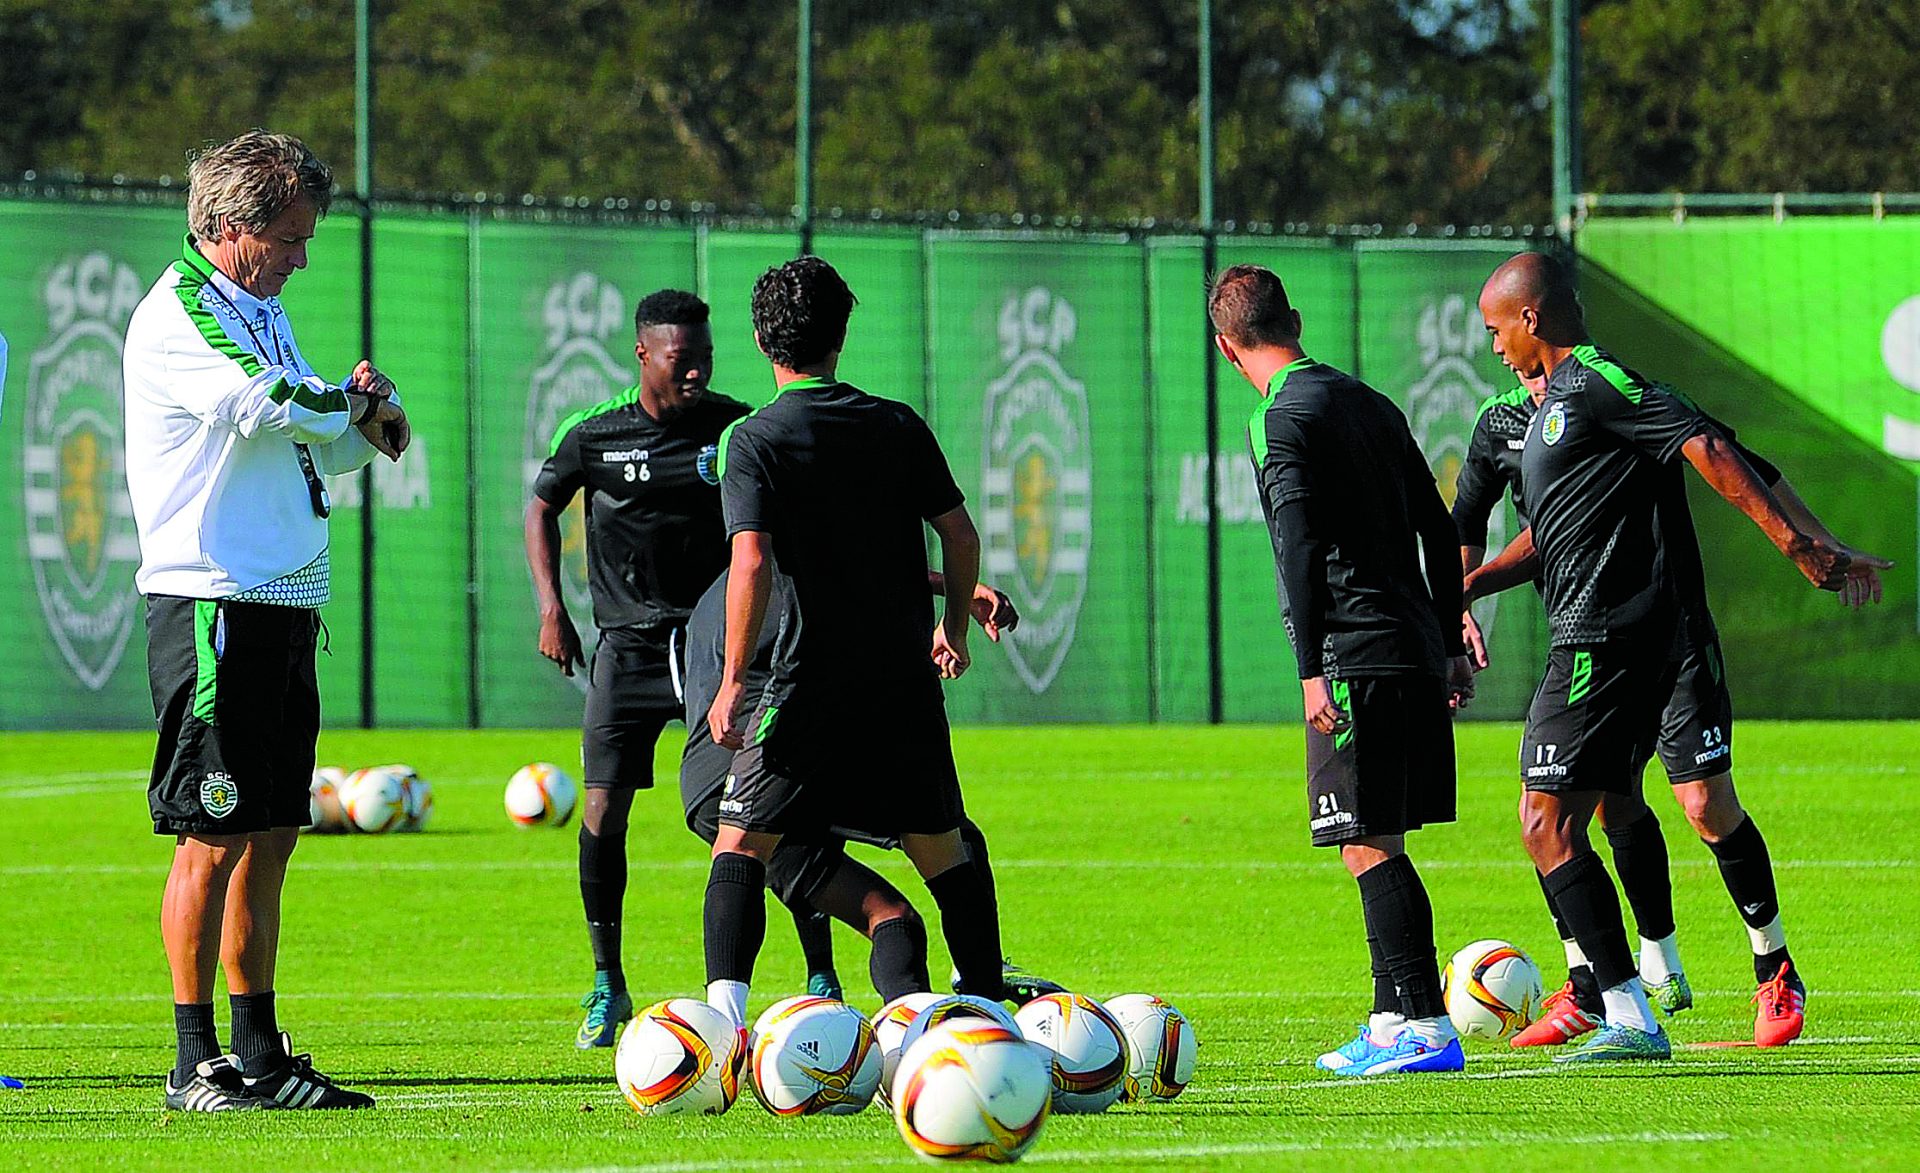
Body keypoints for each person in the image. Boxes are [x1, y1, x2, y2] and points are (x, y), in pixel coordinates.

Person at [1464, 252, 1884, 1062]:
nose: (1493, 348)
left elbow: (1719, 451)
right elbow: (1552, 533)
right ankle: (1609, 991)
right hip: (1597, 638)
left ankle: (1736, 975)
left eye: (1495, 330)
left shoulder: (1601, 384)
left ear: (1531, 319)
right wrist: (1471, 585)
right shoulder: (1540, 413)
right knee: (1578, 811)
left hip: (1631, 639)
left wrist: (1803, 543)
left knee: (1659, 807)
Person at [123, 130, 408, 1111]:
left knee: (273, 831)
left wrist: (370, 423)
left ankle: (260, 1051)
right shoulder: (183, 311)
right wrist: (349, 406)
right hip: (212, 600)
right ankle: (192, 1060)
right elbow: (267, 406)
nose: (302, 256)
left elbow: (318, 448)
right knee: (208, 835)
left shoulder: (260, 309)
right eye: (289, 238)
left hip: (283, 601)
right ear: (230, 228)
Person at [700, 255, 1007, 1030]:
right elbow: (961, 534)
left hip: (806, 683)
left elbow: (752, 561)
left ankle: (722, 1028)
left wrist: (734, 677)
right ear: (841, 335)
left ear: (763, 341)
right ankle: (984, 1009)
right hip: (902, 684)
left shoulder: (757, 438)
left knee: (740, 842)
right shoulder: (895, 423)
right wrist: (954, 628)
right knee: (942, 850)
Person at [1209, 263, 1475, 1077]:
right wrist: (1450, 639)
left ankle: (1427, 1024)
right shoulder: (1372, 404)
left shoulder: (1277, 417)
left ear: (1227, 347)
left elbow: (1296, 544)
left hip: (1351, 654)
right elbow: (1440, 526)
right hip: (1409, 649)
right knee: (1374, 835)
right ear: (1292, 318)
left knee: (1364, 842)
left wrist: (1309, 668)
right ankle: (1392, 1014)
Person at [525, 290, 764, 1046]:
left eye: (704, 358)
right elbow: (540, 506)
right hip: (625, 648)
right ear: (643, 355)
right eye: (680, 359)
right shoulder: (596, 433)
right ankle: (607, 983)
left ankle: (819, 969)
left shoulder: (735, 425)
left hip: (713, 645)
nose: (695, 372)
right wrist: (551, 607)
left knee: (760, 804)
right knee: (602, 813)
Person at [680, 565, 1059, 1005]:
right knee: (955, 843)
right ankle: (983, 1009)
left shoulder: (723, 590)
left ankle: (726, 1031)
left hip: (707, 786)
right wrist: (955, 601)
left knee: (892, 916)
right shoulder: (778, 570)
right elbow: (860, 578)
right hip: (775, 756)